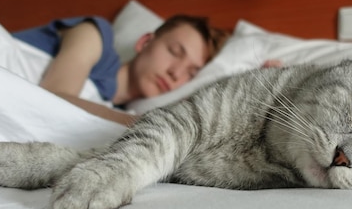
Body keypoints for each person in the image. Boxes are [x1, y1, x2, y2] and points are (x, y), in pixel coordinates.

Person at [13, 15, 230, 126]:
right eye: (174, 51)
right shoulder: (96, 34)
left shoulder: (109, 107)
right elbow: (52, 99)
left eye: (191, 74)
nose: (176, 73)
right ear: (145, 42)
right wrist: (141, 124)